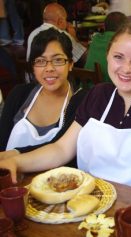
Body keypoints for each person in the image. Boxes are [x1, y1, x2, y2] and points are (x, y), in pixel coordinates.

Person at [0, 21, 131, 195]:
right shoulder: (97, 95)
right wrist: (17, 162)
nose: (126, 68)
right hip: (87, 211)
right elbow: (61, 149)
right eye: (118, 57)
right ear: (108, 56)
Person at [0, 28, 88, 167]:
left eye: (58, 60)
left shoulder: (81, 102)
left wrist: (15, 154)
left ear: (70, 64)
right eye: (40, 61)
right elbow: (2, 145)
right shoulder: (19, 95)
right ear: (33, 67)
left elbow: (64, 151)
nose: (49, 68)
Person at [26, 2, 87, 67]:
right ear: (60, 21)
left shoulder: (33, 33)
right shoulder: (62, 35)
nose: (67, 23)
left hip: (33, 76)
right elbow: (84, 59)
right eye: (65, 20)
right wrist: (74, 37)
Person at [84, 11, 128, 83]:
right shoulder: (121, 42)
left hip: (87, 88)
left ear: (104, 26)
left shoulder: (95, 39)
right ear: (125, 29)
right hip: (107, 90)